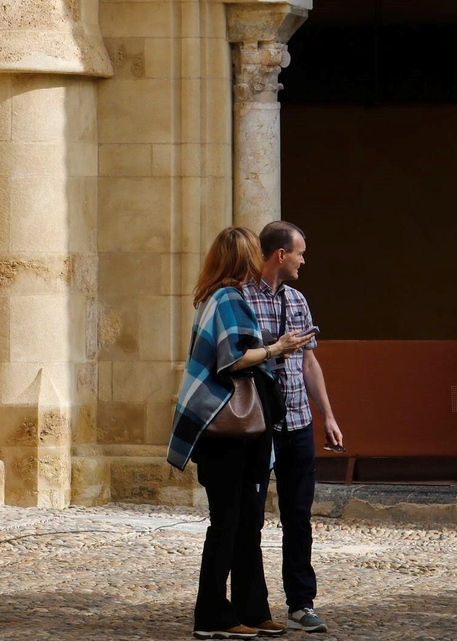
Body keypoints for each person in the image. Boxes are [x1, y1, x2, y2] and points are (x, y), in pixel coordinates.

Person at [169, 226, 316, 640]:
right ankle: (212, 617)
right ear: (242, 257)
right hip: (226, 429)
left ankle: (252, 610)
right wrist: (276, 348)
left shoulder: (218, 297)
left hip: (237, 431)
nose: (258, 258)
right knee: (228, 524)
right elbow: (231, 359)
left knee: (246, 522)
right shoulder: (227, 298)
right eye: (252, 252)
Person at [247, 221, 342, 635]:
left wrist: (328, 416)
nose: (304, 261)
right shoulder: (242, 297)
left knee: (298, 516)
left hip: (298, 422)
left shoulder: (297, 300)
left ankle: (301, 604)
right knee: (250, 517)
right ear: (281, 254)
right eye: (300, 253)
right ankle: (252, 606)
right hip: (257, 424)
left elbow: (309, 362)